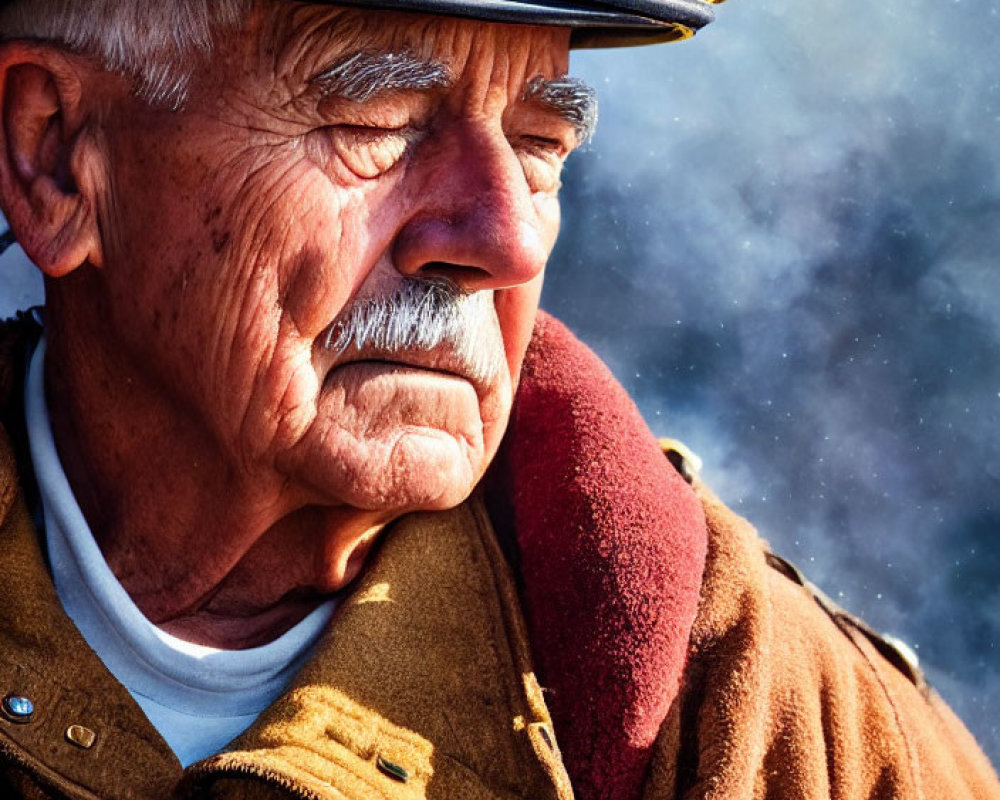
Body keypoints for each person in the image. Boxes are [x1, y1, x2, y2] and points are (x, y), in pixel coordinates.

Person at [0, 2, 996, 799]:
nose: (507, 239)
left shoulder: (787, 730)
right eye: (377, 124)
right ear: (54, 152)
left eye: (538, 143)